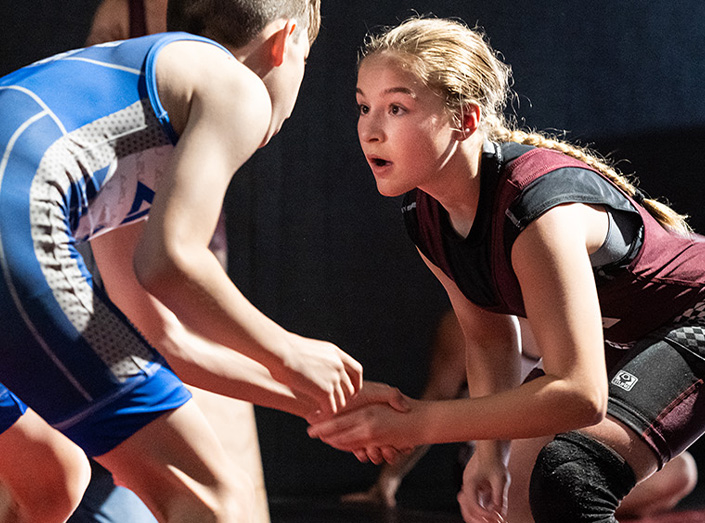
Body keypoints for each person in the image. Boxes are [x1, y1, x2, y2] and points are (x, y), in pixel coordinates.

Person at [0, 0, 412, 520]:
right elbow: (170, 261)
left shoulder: (129, 103)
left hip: (17, 232)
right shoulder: (233, 82)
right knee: (211, 499)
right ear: (283, 43)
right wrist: (289, 350)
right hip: (13, 232)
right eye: (305, 60)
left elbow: (160, 337)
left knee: (51, 477)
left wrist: (317, 400)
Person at [307, 16, 705, 523]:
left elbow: (580, 395)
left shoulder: (535, 210)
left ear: (467, 120)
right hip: (629, 334)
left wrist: (416, 423)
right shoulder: (425, 214)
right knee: (522, 500)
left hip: (694, 315)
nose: (370, 128)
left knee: (571, 473)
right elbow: (491, 340)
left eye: (396, 108)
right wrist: (488, 454)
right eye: (364, 106)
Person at [341, 310, 697, 521]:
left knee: (680, 473)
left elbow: (590, 406)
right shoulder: (468, 321)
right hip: (489, 455)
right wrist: (388, 482)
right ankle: (558, 500)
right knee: (532, 484)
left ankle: (570, 502)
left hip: (559, 447)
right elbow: (437, 396)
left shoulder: (578, 313)